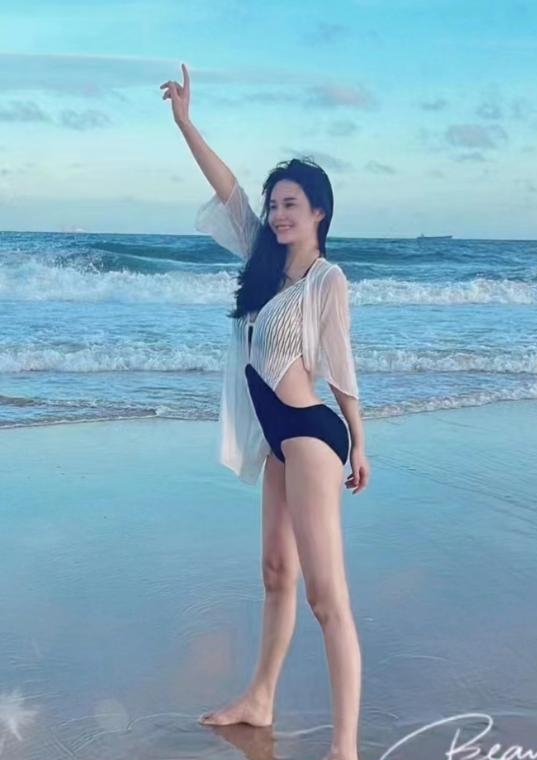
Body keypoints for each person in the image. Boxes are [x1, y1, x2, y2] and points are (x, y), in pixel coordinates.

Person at [161, 63, 371, 760]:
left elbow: (341, 366)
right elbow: (224, 187)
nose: (280, 214)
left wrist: (359, 443)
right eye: (275, 203)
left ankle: (344, 747)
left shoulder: (327, 280)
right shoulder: (262, 261)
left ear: (319, 213)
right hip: (280, 439)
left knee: (325, 596)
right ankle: (260, 698)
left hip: (310, 435)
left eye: (292, 204)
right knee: (276, 574)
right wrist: (186, 123)